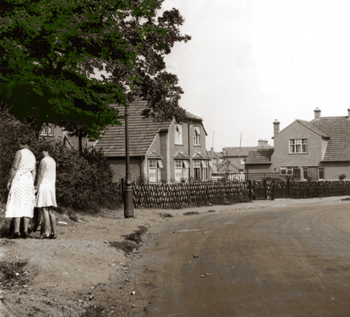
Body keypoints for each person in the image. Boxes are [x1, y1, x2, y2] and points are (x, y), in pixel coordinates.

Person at [6, 136, 36, 239]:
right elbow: (34, 172)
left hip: (20, 179)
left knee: (17, 203)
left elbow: (14, 167)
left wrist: (9, 180)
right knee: (27, 204)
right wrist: (32, 183)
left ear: (22, 143)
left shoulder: (19, 152)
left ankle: (16, 231)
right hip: (28, 181)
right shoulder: (32, 155)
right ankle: (25, 231)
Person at [35, 143, 58, 239]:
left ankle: (47, 232)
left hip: (44, 186)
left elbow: (40, 175)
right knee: (51, 210)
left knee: (44, 209)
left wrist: (37, 186)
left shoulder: (43, 161)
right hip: (51, 187)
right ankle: (54, 232)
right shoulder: (53, 160)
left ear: (43, 150)